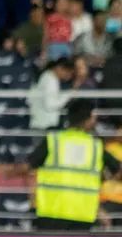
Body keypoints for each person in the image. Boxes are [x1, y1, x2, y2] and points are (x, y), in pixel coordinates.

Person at [28, 98, 120, 230]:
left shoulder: (53, 141)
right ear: (89, 119)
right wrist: (102, 181)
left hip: (50, 213)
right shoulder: (96, 146)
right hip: (83, 216)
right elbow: (117, 168)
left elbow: (28, 166)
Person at [28, 56, 74, 129]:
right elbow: (50, 105)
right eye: (68, 73)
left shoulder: (49, 77)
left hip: (43, 123)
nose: (69, 76)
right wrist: (67, 96)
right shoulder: (50, 80)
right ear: (60, 68)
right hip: (43, 126)